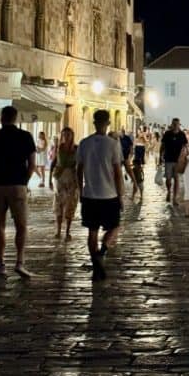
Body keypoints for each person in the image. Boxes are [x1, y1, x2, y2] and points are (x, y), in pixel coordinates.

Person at [0, 106, 37, 279]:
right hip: (17, 184)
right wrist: (24, 181)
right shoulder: (25, 136)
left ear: (1, 118)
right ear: (16, 118)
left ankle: (0, 263)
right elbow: (32, 164)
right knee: (21, 225)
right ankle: (20, 262)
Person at [76, 110, 124, 281]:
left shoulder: (84, 143)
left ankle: (96, 263)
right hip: (109, 195)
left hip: (89, 194)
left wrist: (80, 191)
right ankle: (101, 252)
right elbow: (118, 173)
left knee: (92, 231)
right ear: (108, 123)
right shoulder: (113, 144)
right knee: (115, 226)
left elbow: (79, 170)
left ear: (94, 122)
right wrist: (121, 196)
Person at [49, 127, 79, 240]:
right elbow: (53, 162)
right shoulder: (58, 148)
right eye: (64, 134)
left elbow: (81, 164)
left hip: (72, 178)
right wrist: (49, 180)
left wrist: (80, 181)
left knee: (71, 204)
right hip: (59, 177)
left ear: (72, 135)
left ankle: (67, 231)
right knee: (58, 203)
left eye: (68, 134)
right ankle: (58, 230)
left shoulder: (77, 148)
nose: (66, 136)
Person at [159, 118, 188, 205]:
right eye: (174, 124)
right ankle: (168, 191)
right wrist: (160, 156)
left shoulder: (182, 134)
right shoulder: (167, 133)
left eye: (177, 124)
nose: (175, 125)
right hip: (168, 159)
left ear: (179, 125)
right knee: (168, 179)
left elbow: (185, 146)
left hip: (178, 160)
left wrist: (185, 157)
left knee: (176, 178)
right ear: (172, 124)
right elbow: (162, 145)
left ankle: (174, 198)